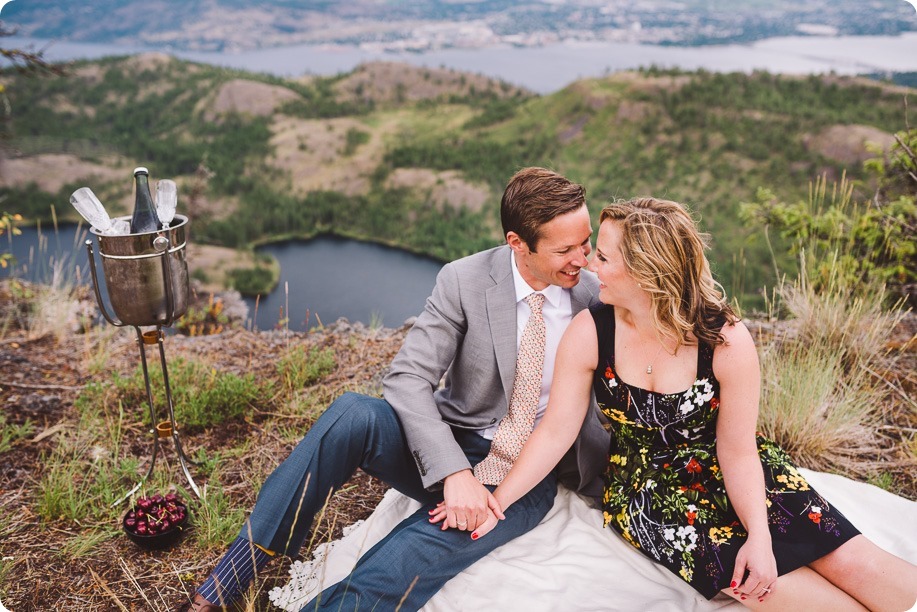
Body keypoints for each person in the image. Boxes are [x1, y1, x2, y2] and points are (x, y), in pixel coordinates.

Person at [459, 197, 917, 610]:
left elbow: (736, 450)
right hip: (654, 498)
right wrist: (496, 502)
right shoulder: (591, 331)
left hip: (737, 472)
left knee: (875, 577)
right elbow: (556, 430)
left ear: (646, 273)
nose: (590, 266)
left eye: (603, 256)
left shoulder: (725, 340)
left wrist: (759, 536)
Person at [185, 167, 608, 611]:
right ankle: (226, 583)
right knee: (352, 414)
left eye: (586, 242)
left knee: (407, 555)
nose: (583, 259)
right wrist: (454, 473)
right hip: (454, 439)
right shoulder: (464, 279)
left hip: (527, 473)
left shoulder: (596, 297)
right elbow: (408, 377)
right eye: (566, 249)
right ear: (517, 243)